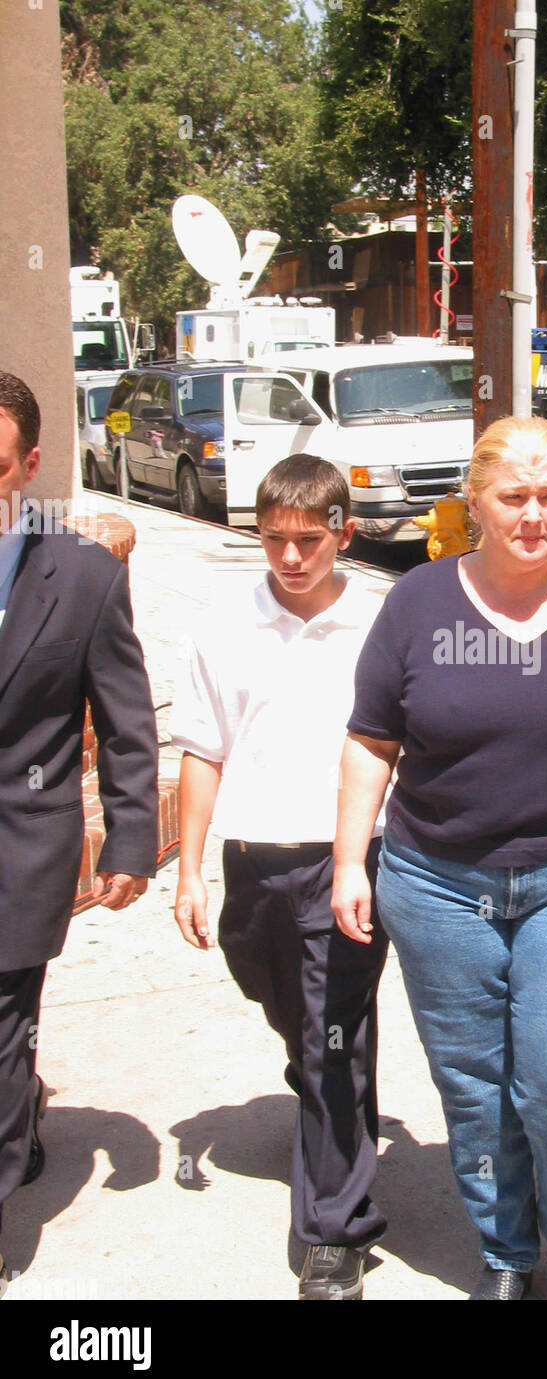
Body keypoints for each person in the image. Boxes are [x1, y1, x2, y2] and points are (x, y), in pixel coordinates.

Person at [332, 414, 547, 1300]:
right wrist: (349, 862)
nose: (534, 515)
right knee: (474, 1081)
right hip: (436, 882)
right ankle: (504, 1248)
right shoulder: (418, 602)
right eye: (513, 497)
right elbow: (372, 739)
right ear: (475, 501)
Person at [170, 455, 388, 1301]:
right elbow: (201, 749)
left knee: (334, 1042)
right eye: (274, 540)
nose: (291, 557)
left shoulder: (380, 622)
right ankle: (333, 1110)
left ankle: (336, 1232)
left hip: (346, 864)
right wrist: (187, 869)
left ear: (344, 531)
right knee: (290, 1015)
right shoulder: (226, 624)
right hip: (251, 864)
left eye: (308, 540)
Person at [0, 370, 158, 1296]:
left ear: (27, 465)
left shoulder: (84, 574)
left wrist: (132, 840)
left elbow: (128, 719)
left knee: (3, 1029)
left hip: (20, 843)